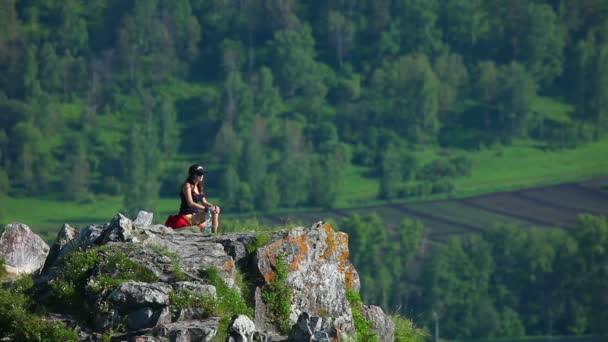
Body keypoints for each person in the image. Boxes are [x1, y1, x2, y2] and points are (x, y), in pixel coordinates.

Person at [165, 164, 221, 233]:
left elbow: (205, 202)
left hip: (195, 215)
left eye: (202, 174)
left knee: (215, 211)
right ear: (193, 175)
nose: (201, 176)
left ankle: (213, 234)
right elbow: (190, 203)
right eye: (199, 174)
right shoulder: (187, 186)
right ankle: (213, 235)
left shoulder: (199, 187)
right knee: (212, 213)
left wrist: (214, 207)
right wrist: (206, 209)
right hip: (187, 216)